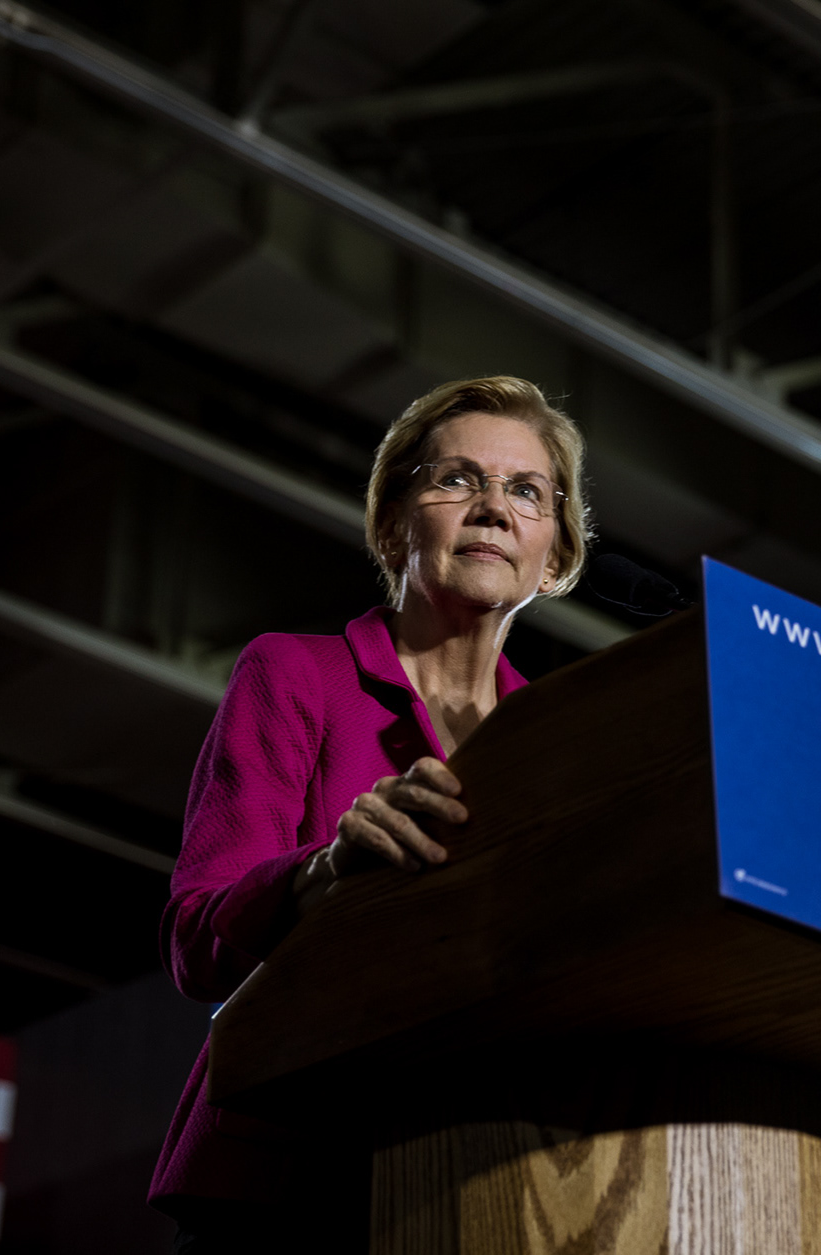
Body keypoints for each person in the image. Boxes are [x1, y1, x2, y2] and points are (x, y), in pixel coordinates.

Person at [148, 376, 592, 1253]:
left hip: (487, 1172)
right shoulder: (294, 674)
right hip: (291, 1175)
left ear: (556, 556)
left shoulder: (562, 741)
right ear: (395, 526)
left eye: (527, 491)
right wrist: (321, 873)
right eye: (457, 480)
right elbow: (195, 941)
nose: (494, 509)